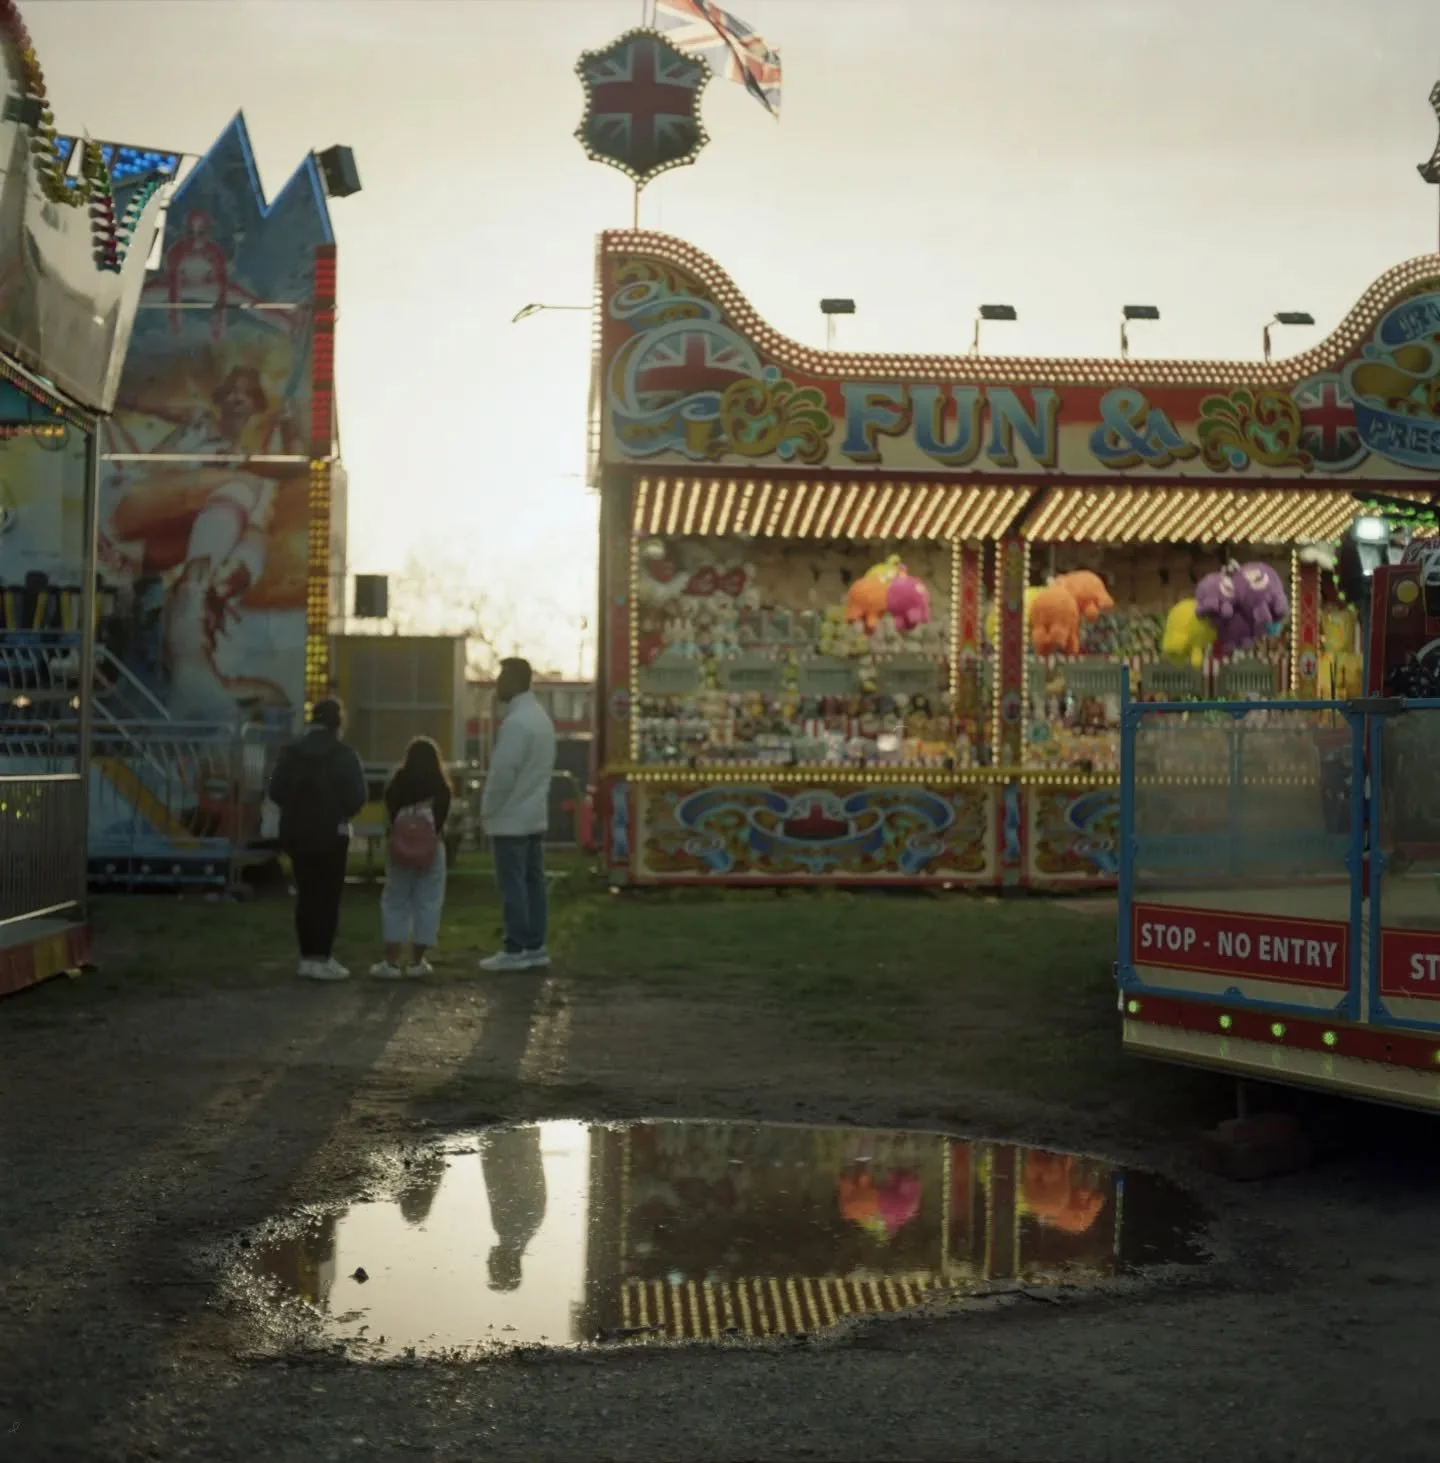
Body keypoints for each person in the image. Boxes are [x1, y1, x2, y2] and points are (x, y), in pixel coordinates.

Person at [267, 697, 367, 981]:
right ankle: (322, 957)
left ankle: (306, 957)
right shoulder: (344, 754)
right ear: (338, 724)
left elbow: (276, 791)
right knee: (327, 897)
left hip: (296, 833)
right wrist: (337, 812)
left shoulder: (291, 753)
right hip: (331, 834)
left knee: (306, 894)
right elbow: (357, 797)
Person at [479, 657, 557, 972]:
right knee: (533, 883)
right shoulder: (541, 720)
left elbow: (502, 774)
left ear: (515, 680)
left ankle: (515, 948)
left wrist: (487, 809)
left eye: (501, 677)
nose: (497, 683)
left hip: (510, 818)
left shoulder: (515, 724)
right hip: (534, 815)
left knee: (512, 885)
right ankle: (535, 945)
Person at [371, 736, 452, 980]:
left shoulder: (397, 784)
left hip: (399, 850)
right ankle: (418, 961)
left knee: (395, 901)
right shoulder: (441, 788)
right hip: (431, 851)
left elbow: (391, 815)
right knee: (428, 901)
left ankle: (392, 962)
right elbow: (440, 823)